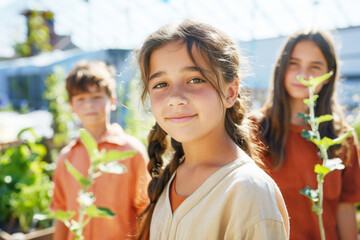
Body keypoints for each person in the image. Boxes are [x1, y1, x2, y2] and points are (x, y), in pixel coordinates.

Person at [136, 19, 289, 240]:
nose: (175, 98)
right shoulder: (173, 175)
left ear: (230, 92)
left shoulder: (248, 190)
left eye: (195, 79)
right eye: (161, 84)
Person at [251, 29, 360, 240]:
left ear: (329, 75)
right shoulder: (254, 129)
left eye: (315, 66)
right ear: (280, 68)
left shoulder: (341, 139)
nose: (304, 74)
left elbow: (345, 210)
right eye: (293, 63)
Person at [51, 61, 151, 240]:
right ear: (72, 106)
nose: (89, 104)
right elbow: (61, 212)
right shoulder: (66, 158)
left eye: (96, 96)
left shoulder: (131, 152)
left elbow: (145, 210)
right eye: (80, 99)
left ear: (112, 101)